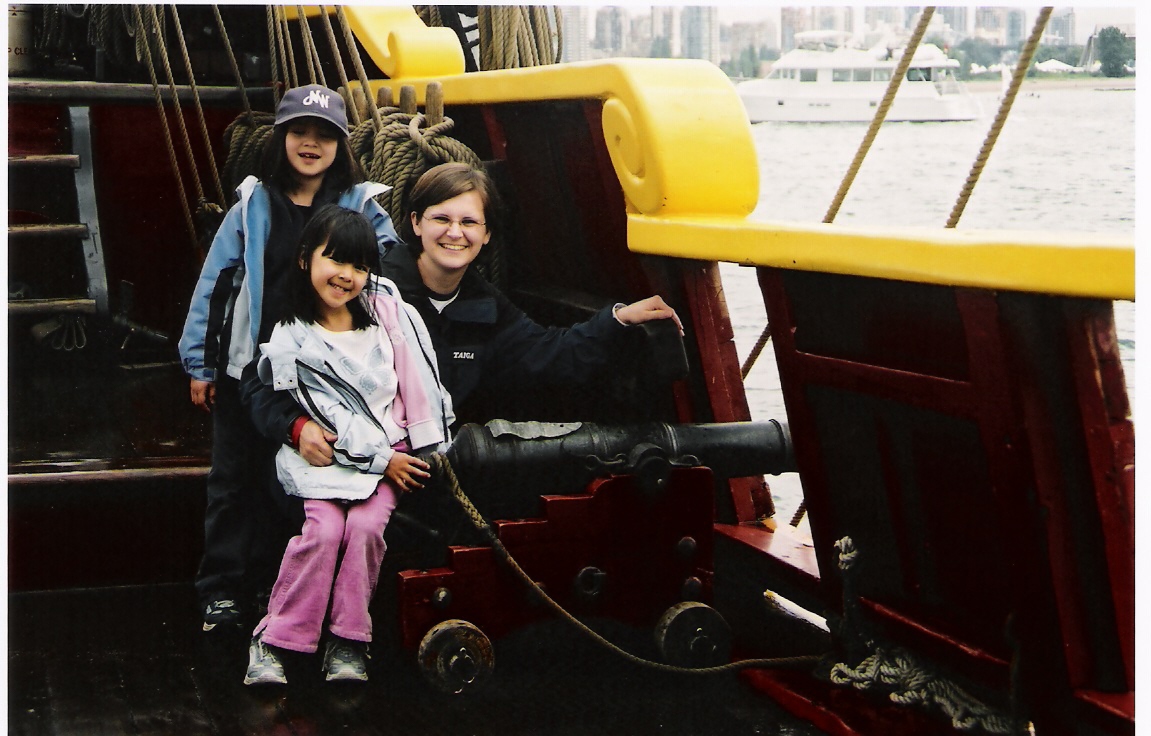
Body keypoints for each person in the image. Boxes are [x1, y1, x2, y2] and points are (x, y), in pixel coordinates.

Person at [245, 161, 682, 470]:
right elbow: (261, 378)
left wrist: (619, 318)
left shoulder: (486, 308)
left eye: (470, 223)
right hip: (344, 463)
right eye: (442, 218)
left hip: (432, 467)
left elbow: (552, 353)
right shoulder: (362, 291)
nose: (455, 233)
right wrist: (296, 427)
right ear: (415, 223)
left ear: (486, 235)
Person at [177, 83, 400, 635]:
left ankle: (274, 587)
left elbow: (393, 286)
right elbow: (217, 284)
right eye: (300, 131)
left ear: (341, 145)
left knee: (294, 487)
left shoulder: (362, 208)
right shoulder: (252, 206)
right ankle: (221, 590)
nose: (311, 143)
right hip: (248, 370)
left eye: (325, 135)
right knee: (234, 480)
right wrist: (200, 365)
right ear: (280, 139)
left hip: (323, 379)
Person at [243, 205, 452, 686]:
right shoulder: (292, 337)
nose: (347, 276)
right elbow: (327, 412)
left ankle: (349, 638)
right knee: (323, 530)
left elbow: (415, 378)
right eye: (334, 259)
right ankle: (276, 638)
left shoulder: (382, 318)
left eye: (359, 266)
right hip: (332, 456)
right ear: (304, 260)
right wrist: (386, 460)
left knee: (363, 527)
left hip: (388, 453)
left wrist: (419, 445)